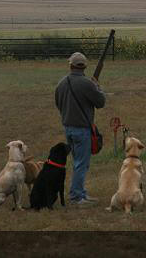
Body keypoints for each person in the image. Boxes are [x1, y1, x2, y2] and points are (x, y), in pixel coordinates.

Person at [55, 52, 106, 205]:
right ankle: (77, 196)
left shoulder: (62, 83)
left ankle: (80, 192)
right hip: (82, 130)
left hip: (68, 127)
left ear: (70, 65)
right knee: (81, 163)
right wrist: (97, 87)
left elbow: (58, 103)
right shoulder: (87, 84)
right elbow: (101, 102)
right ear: (84, 66)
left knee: (78, 161)